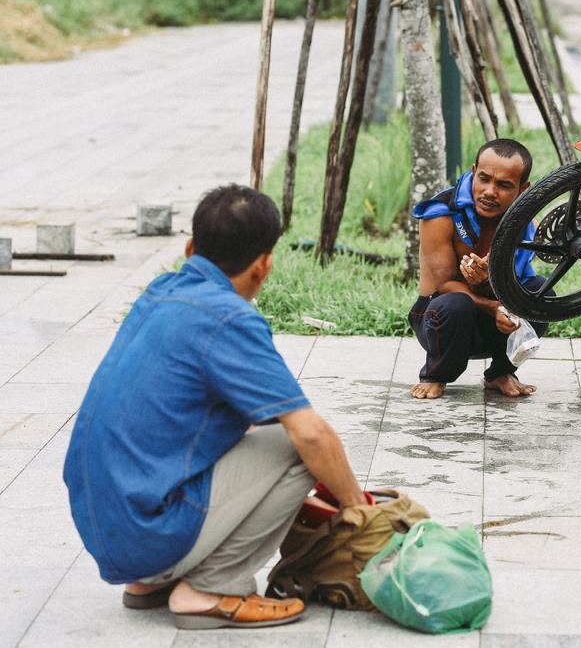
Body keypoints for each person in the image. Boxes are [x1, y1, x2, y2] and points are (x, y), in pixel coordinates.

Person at [63, 185, 368, 630]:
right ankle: (211, 587)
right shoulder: (229, 317)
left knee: (253, 432)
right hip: (146, 530)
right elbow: (310, 433)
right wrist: (359, 509)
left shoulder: (163, 289)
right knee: (298, 447)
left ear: (191, 249)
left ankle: (151, 581)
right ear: (264, 266)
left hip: (106, 528)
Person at [408, 138, 546, 400]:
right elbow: (445, 284)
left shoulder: (526, 221)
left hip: (497, 318)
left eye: (504, 185)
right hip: (438, 319)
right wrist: (494, 305)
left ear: (522, 188)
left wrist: (489, 286)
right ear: (473, 172)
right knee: (455, 303)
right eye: (484, 179)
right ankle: (435, 374)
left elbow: (517, 285)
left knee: (540, 292)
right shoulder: (440, 214)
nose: (490, 192)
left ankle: (501, 373)